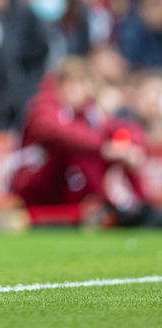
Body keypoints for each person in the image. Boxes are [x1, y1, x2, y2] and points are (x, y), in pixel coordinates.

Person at [10, 57, 157, 227]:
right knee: (83, 151)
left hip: (66, 186)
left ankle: (140, 207)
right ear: (60, 85)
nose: (76, 90)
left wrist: (131, 148)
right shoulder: (44, 106)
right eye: (71, 84)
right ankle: (113, 205)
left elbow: (121, 128)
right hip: (34, 183)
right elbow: (59, 133)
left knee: (119, 151)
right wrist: (104, 148)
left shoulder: (89, 112)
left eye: (81, 84)